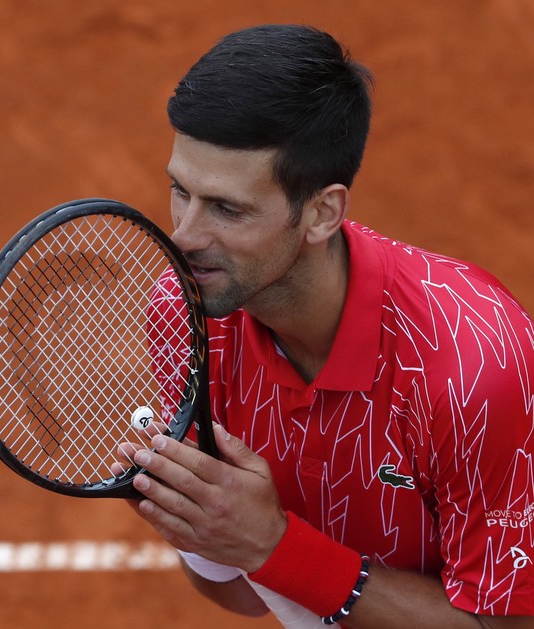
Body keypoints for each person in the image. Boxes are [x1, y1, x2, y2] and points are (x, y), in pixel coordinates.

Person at [117, 24, 534, 628]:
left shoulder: (473, 369)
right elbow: (241, 595)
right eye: (180, 191)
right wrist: (199, 526)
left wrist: (272, 545)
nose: (184, 238)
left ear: (321, 212)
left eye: (227, 209)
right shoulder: (185, 318)